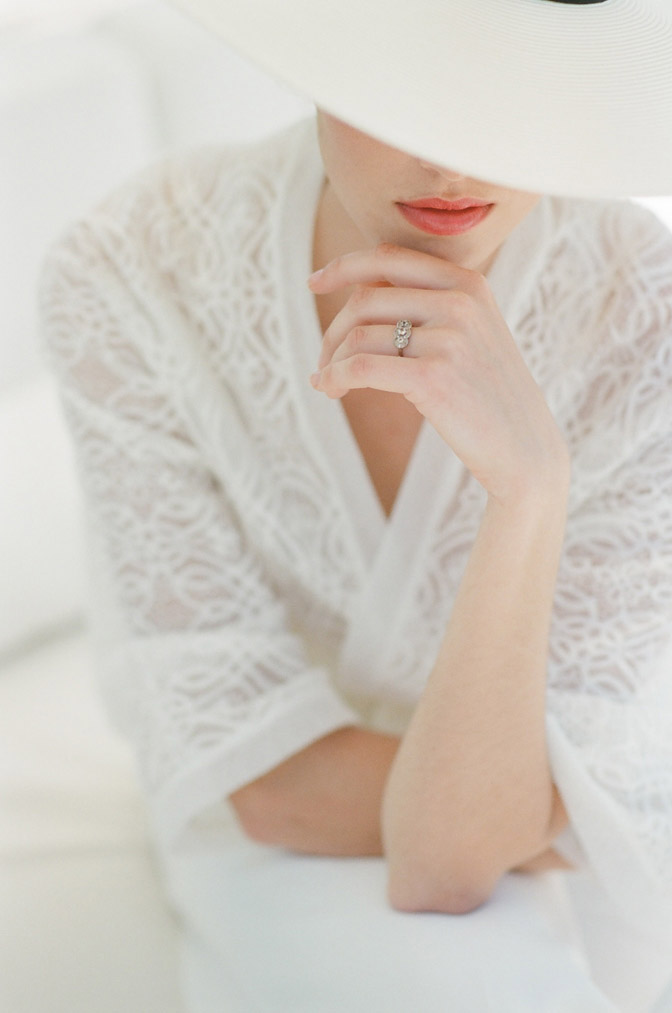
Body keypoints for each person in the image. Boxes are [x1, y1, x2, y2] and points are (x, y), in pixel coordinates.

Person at [37, 0, 672, 1010]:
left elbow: (466, 854)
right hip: (291, 833)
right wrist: (512, 807)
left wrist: (528, 489)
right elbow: (272, 787)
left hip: (581, 830)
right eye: (411, 78)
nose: (454, 155)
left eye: (512, 84)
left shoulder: (645, 308)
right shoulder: (130, 268)